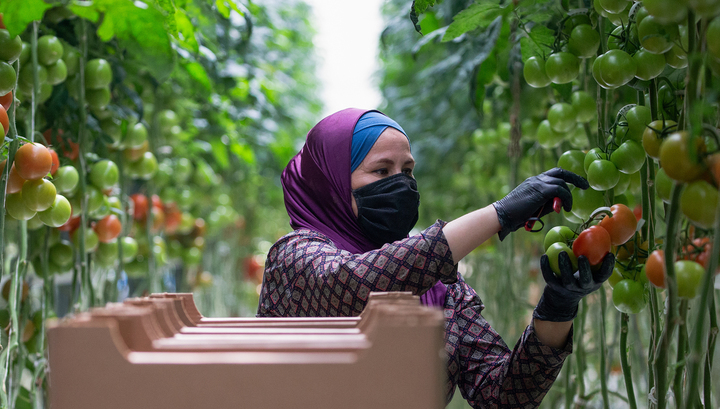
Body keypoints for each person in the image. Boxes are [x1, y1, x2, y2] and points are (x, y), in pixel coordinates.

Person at [257, 108, 614, 408]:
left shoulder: (441, 284)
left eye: (408, 171)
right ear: (329, 183)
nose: (401, 185)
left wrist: (557, 306)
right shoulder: (294, 258)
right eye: (381, 171)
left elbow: (504, 395)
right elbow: (357, 286)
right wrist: (498, 215)